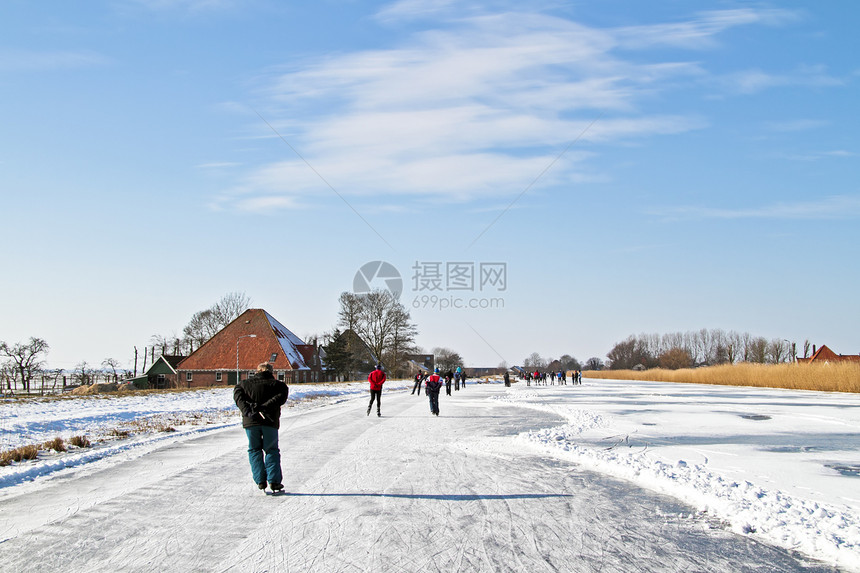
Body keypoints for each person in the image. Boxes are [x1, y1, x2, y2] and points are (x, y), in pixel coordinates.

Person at [233, 362, 289, 493]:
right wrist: (264, 407)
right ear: (271, 371)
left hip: (251, 422)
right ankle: (274, 481)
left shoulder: (243, 385)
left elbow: (239, 399)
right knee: (271, 450)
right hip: (269, 421)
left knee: (254, 450)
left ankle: (260, 481)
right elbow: (280, 398)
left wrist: (249, 411)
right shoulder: (279, 386)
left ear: (257, 371)